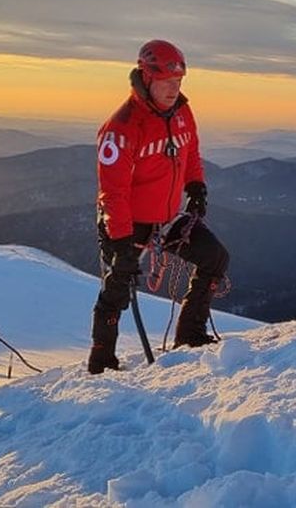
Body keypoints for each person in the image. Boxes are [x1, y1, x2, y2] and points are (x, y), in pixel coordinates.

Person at [88, 39, 230, 374]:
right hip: (128, 221)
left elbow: (190, 149)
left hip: (166, 218)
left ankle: (190, 334)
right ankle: (101, 361)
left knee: (215, 258)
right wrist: (122, 241)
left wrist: (195, 186)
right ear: (147, 78)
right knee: (116, 289)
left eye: (178, 82)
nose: (173, 89)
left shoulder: (181, 111)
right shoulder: (121, 128)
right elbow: (114, 191)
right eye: (167, 82)